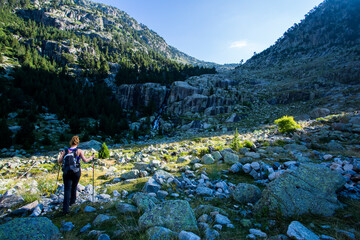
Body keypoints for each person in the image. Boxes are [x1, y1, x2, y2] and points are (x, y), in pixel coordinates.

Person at [58, 135, 94, 214]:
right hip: (76, 172)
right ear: (78, 142)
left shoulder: (65, 150)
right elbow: (85, 160)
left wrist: (61, 155)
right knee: (74, 186)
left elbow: (59, 161)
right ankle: (72, 202)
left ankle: (65, 209)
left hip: (67, 172)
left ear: (71, 142)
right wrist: (91, 157)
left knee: (67, 189)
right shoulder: (79, 150)